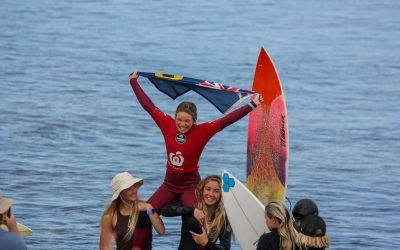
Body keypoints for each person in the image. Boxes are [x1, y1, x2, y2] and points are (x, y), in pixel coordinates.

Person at [129, 70, 263, 212]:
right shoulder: (166, 123)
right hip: (168, 185)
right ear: (175, 118)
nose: (182, 124)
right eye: (179, 120)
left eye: (187, 121)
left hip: (190, 186)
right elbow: (148, 105)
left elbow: (227, 120)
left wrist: (252, 105)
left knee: (195, 218)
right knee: (144, 213)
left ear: (194, 121)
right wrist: (134, 82)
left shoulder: (203, 131)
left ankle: (185, 211)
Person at [161, 175, 231, 250]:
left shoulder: (222, 217)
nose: (211, 194)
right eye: (208, 189)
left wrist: (206, 243)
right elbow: (165, 211)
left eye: (216, 191)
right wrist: (192, 210)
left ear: (221, 194)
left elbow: (226, 248)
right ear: (202, 189)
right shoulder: (191, 203)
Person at [100, 172, 165, 250]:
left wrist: (149, 208)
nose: (134, 191)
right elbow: (105, 247)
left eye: (134, 187)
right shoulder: (110, 216)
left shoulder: (146, 209)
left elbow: (161, 231)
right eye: (129, 189)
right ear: (120, 193)